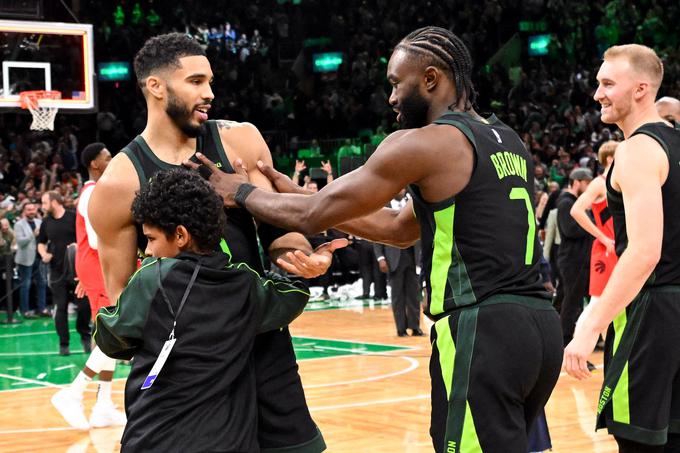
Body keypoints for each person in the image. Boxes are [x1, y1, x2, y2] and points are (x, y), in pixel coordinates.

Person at [189, 26, 563, 452]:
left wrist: (238, 191)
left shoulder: (424, 143)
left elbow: (314, 215)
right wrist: (298, 193)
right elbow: (399, 229)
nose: (390, 98)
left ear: (430, 79)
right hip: (539, 327)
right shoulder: (507, 139)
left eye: (395, 83)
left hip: (484, 329)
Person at [89, 33, 342, 453]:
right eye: (195, 81)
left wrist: (297, 259)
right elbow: (120, 297)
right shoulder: (119, 183)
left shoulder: (240, 139)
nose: (210, 93)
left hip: (262, 345)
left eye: (209, 81)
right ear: (155, 86)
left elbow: (279, 229)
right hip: (188, 375)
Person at [95, 169, 311, 452]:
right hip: (229, 442)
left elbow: (110, 337)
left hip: (155, 439)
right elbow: (293, 293)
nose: (147, 251)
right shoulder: (244, 286)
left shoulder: (152, 278)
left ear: (181, 235)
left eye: (150, 239)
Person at [564, 44, 680, 452]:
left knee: (640, 441)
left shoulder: (635, 150)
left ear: (641, 89)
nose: (597, 93)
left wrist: (589, 324)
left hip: (651, 316)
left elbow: (645, 252)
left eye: (608, 83)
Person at [51, 142, 124, 431]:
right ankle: (73, 392)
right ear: (95, 163)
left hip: (100, 265)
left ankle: (103, 405)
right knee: (115, 332)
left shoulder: (99, 191)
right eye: (107, 156)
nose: (112, 159)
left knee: (112, 333)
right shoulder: (92, 192)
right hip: (98, 264)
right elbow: (96, 240)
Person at [570, 141, 618, 336]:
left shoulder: (621, 182)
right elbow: (576, 210)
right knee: (597, 302)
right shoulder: (599, 183)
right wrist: (604, 238)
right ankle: (574, 350)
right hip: (606, 248)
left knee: (617, 304)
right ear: (610, 159)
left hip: (621, 248)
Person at [37, 191, 90, 356]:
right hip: (56, 272)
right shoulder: (46, 222)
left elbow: (85, 238)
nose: (43, 206)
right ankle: (63, 343)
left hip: (77, 272)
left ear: (54, 202)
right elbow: (40, 242)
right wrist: (44, 254)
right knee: (60, 308)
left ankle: (85, 335)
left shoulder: (73, 217)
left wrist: (76, 245)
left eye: (45, 203)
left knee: (83, 307)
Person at [373, 189, 422, 336]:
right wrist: (380, 258)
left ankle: (415, 326)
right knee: (397, 295)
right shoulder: (383, 207)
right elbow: (377, 234)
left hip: (412, 257)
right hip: (393, 258)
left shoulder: (411, 204)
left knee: (414, 295)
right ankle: (400, 329)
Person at [556, 168, 593, 346]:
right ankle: (565, 340)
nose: (589, 187)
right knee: (572, 302)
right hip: (572, 260)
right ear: (576, 182)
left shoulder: (574, 202)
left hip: (578, 260)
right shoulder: (565, 203)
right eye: (587, 183)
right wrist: (591, 226)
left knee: (569, 300)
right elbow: (570, 230)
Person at [13, 203, 48, 318]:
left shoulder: (40, 222)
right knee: (26, 285)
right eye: (28, 210)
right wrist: (33, 234)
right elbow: (20, 242)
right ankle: (25, 311)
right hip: (25, 259)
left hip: (39, 257)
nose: (31, 212)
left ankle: (42, 309)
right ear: (24, 211)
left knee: (42, 284)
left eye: (33, 209)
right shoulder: (19, 225)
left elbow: (45, 239)